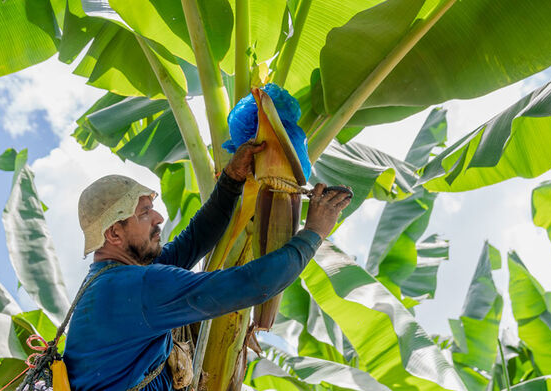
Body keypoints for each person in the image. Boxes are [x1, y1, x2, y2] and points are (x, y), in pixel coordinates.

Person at [63, 141, 352, 390]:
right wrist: (313, 233)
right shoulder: (135, 288)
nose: (158, 218)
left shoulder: (111, 283)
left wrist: (231, 180)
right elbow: (250, 284)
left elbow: (193, 241)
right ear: (114, 234)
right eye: (144, 213)